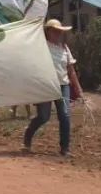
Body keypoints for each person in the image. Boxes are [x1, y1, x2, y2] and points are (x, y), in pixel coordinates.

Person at [22, 19, 83, 157]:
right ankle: (28, 134)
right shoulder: (40, 47)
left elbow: (70, 69)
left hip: (63, 85)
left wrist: (78, 88)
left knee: (65, 116)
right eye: (55, 31)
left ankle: (65, 148)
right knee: (43, 117)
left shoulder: (64, 48)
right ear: (48, 31)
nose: (58, 33)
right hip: (46, 85)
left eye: (60, 31)